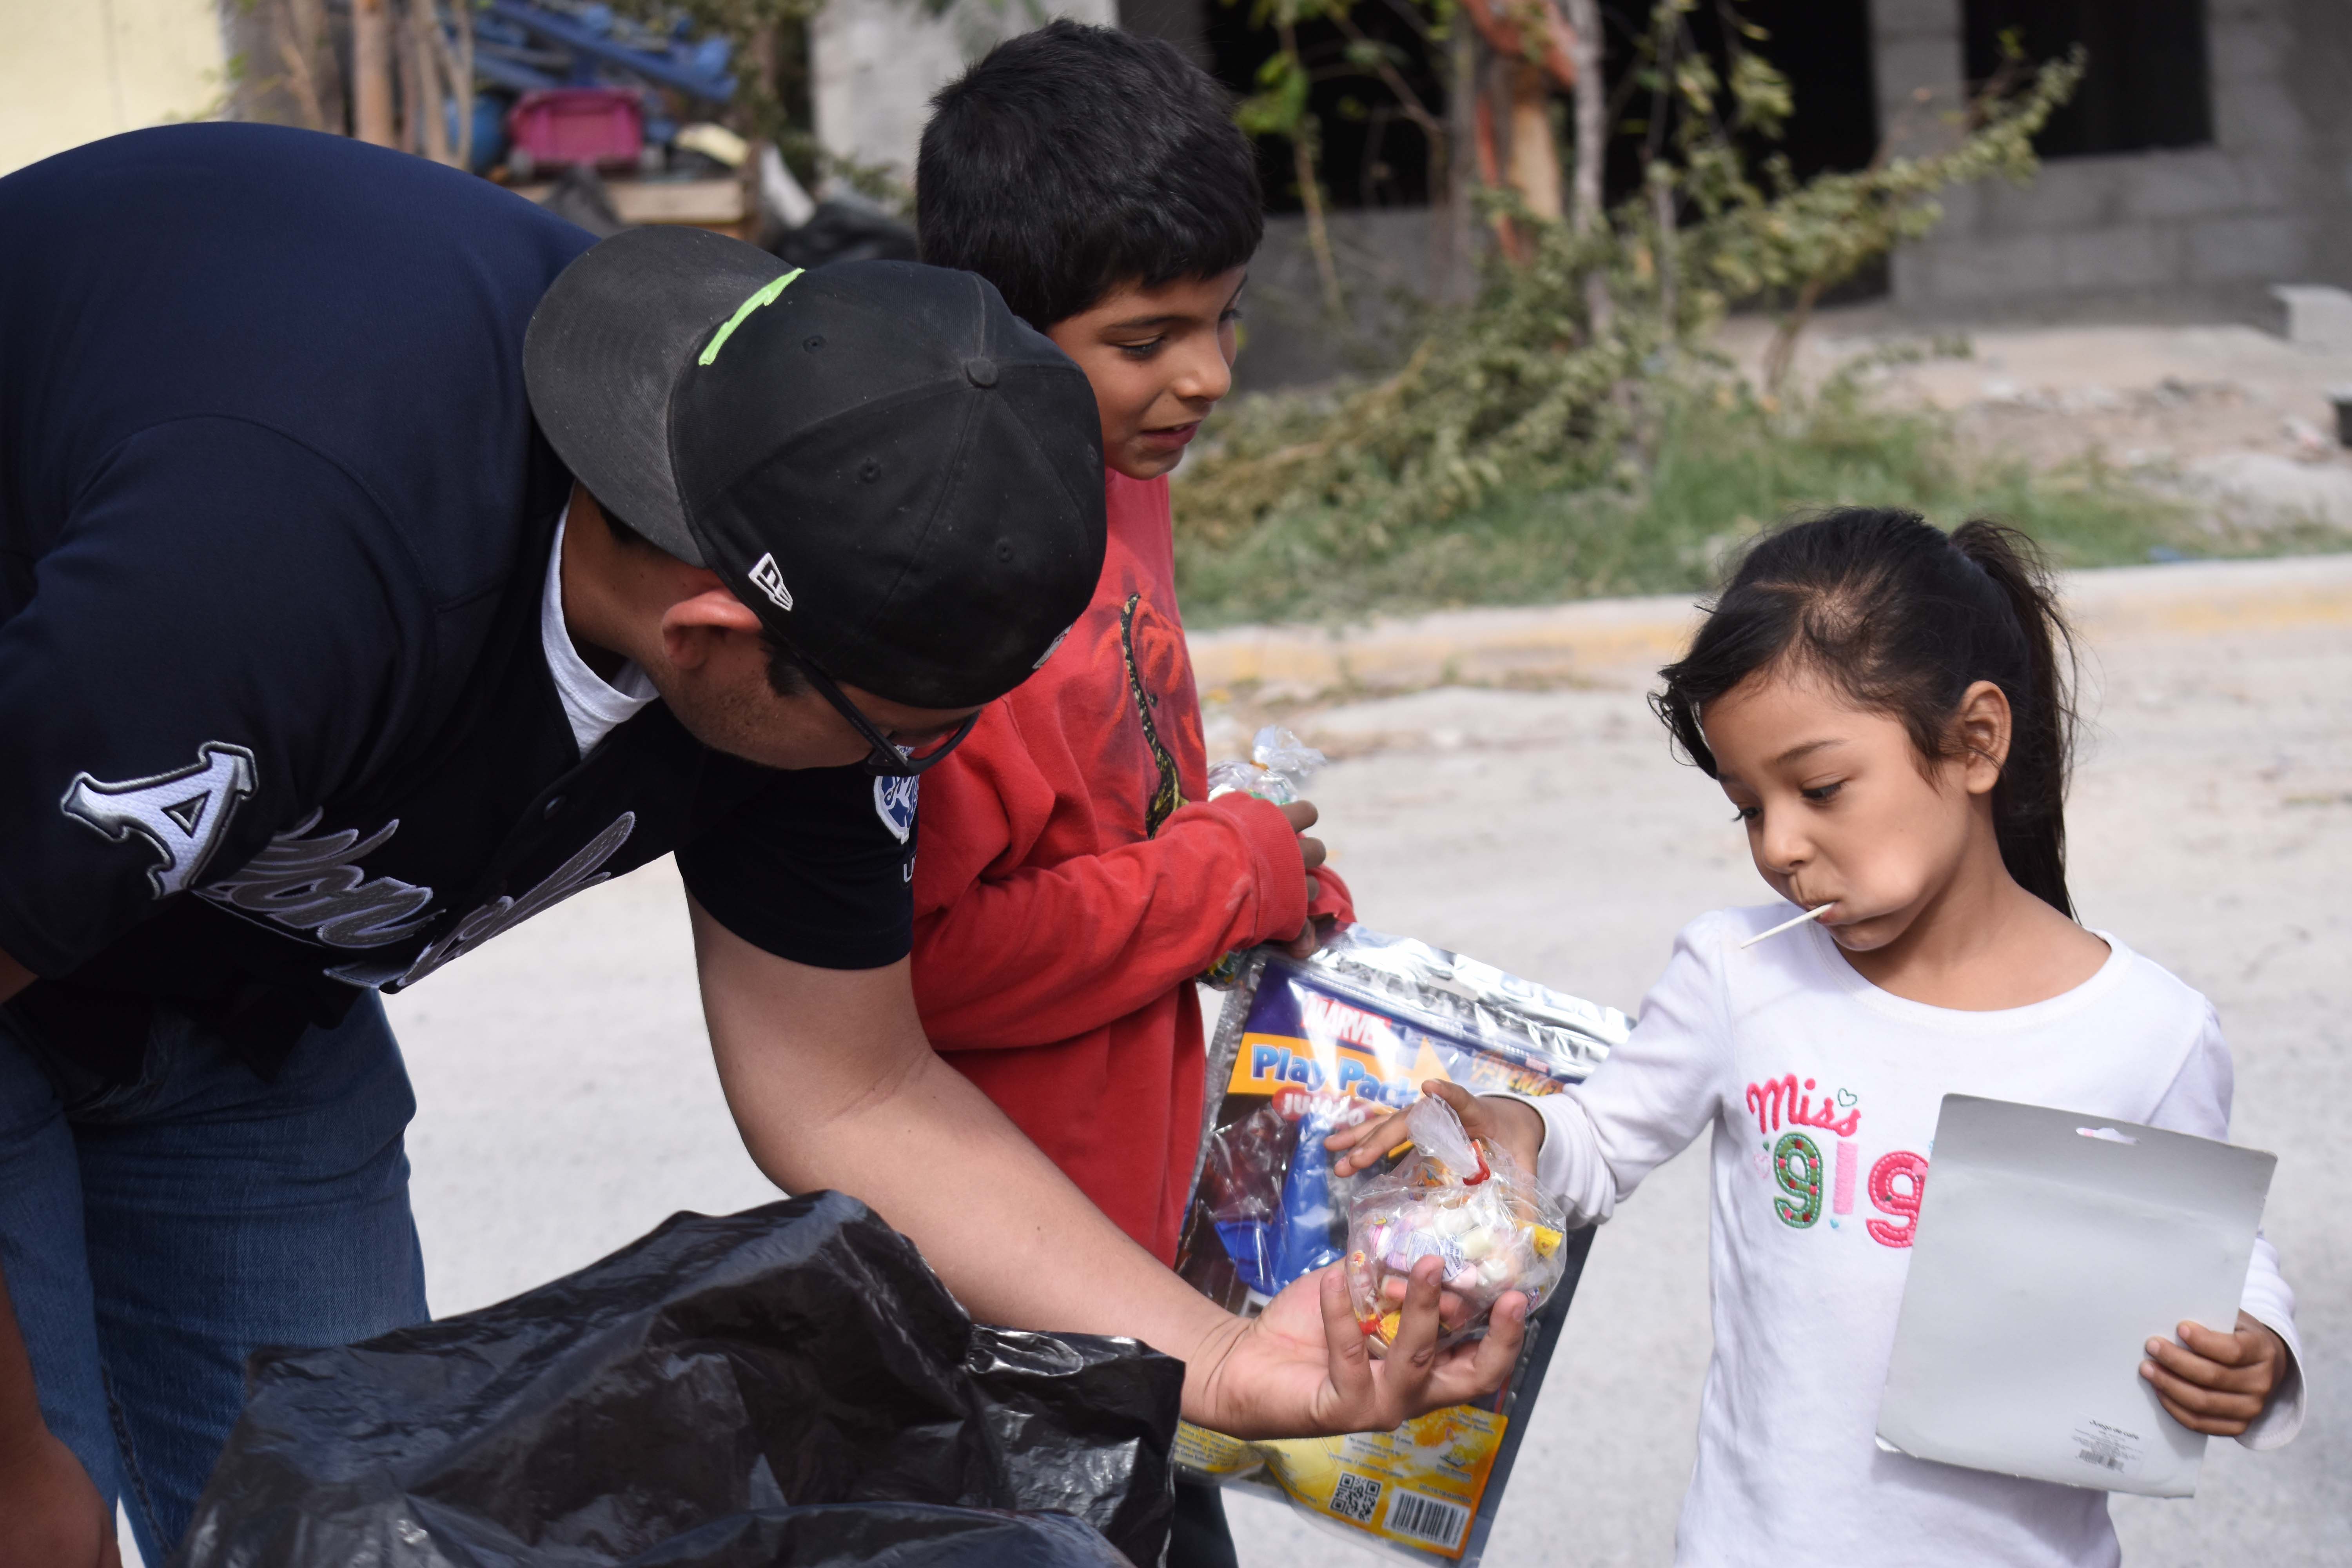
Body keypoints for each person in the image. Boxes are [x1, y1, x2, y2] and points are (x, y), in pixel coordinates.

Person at [0, 124, 1524, 1568]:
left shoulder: (824, 549)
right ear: (717, 631)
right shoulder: (283, 567)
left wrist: (1229, 1363)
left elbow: (854, 1085)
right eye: (902, 739)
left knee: (356, 1514)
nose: (916, 772)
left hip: (237, 1002)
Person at [1331, 509, 2306, 1565]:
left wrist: (2260, 1349)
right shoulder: (1740, 978)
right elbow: (1599, 1146)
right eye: (1749, 807)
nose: (1783, 846)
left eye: (1821, 788)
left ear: (1976, 741)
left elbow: (2209, 1251)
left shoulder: (2145, 1031)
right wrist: (1517, 1130)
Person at [907, 24, 1356, 1564]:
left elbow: (1110, 814)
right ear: (999, 335)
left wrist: (1257, 871)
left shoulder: (1117, 477)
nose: (1209, 376)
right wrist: (1221, 877)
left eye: (1227, 320)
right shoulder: (954, 595)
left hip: (1142, 1263)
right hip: (1012, 1299)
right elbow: (936, 962)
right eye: (1150, 334)